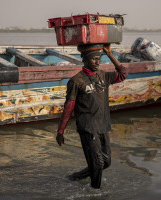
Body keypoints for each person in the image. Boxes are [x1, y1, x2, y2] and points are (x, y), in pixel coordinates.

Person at [56, 44, 128, 189]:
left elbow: (123, 73)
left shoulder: (103, 76)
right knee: (98, 164)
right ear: (85, 61)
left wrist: (109, 54)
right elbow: (68, 108)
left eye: (99, 59)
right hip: (88, 128)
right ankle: (95, 193)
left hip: (103, 126)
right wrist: (60, 131)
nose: (97, 62)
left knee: (106, 162)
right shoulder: (76, 81)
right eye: (94, 59)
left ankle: (74, 177)